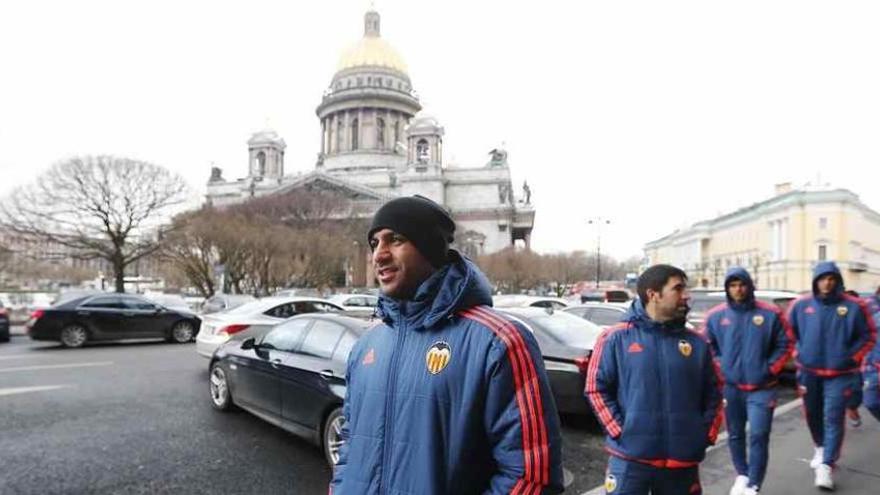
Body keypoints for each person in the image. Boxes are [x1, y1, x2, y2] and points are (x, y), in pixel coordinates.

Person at [329, 195, 564, 495]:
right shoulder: (367, 345)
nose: (379, 255)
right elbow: (350, 442)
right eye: (375, 243)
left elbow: (532, 476)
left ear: (429, 248)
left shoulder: (499, 341)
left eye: (395, 240)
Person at [586, 264, 723, 495]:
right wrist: (620, 430)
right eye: (677, 289)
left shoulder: (697, 343)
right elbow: (595, 388)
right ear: (653, 294)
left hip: (682, 464)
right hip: (630, 462)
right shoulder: (616, 337)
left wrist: (705, 433)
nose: (686, 296)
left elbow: (714, 392)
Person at [703, 267, 794, 495]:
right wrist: (721, 366)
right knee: (735, 435)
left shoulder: (770, 313)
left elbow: (786, 344)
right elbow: (708, 346)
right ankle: (742, 475)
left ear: (749, 285)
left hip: (763, 388)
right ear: (727, 288)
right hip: (732, 388)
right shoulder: (716, 316)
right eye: (732, 285)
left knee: (759, 435)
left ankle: (754, 484)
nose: (738, 289)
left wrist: (770, 368)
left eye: (741, 284)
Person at [787, 261, 877, 490]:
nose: (826, 283)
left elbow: (869, 336)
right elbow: (789, 333)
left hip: (840, 373)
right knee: (813, 415)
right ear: (815, 280)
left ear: (837, 280)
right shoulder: (801, 305)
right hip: (809, 373)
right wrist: (799, 352)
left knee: (833, 417)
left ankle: (827, 465)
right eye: (822, 278)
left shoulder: (855, 306)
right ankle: (820, 447)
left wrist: (854, 357)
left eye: (831, 278)